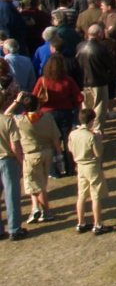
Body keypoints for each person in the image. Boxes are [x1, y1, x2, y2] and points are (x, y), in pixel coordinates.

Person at [12, 93, 61, 223]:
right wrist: (59, 153)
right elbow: (55, 137)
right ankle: (35, 208)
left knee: (36, 185)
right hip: (47, 152)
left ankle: (47, 212)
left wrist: (16, 101)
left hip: (31, 155)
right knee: (38, 183)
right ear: (38, 104)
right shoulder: (48, 117)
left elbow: (5, 114)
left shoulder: (21, 120)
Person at [69, 108, 113, 235]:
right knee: (96, 195)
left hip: (80, 166)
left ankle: (81, 222)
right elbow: (98, 153)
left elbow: (70, 148)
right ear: (91, 121)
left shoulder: (73, 133)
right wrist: (99, 139)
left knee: (81, 195)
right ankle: (97, 224)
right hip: (92, 166)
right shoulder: (92, 136)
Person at [0, 92, 26, 240]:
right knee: (11, 195)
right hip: (7, 160)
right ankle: (14, 228)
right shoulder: (7, 121)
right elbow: (15, 146)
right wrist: (21, 161)